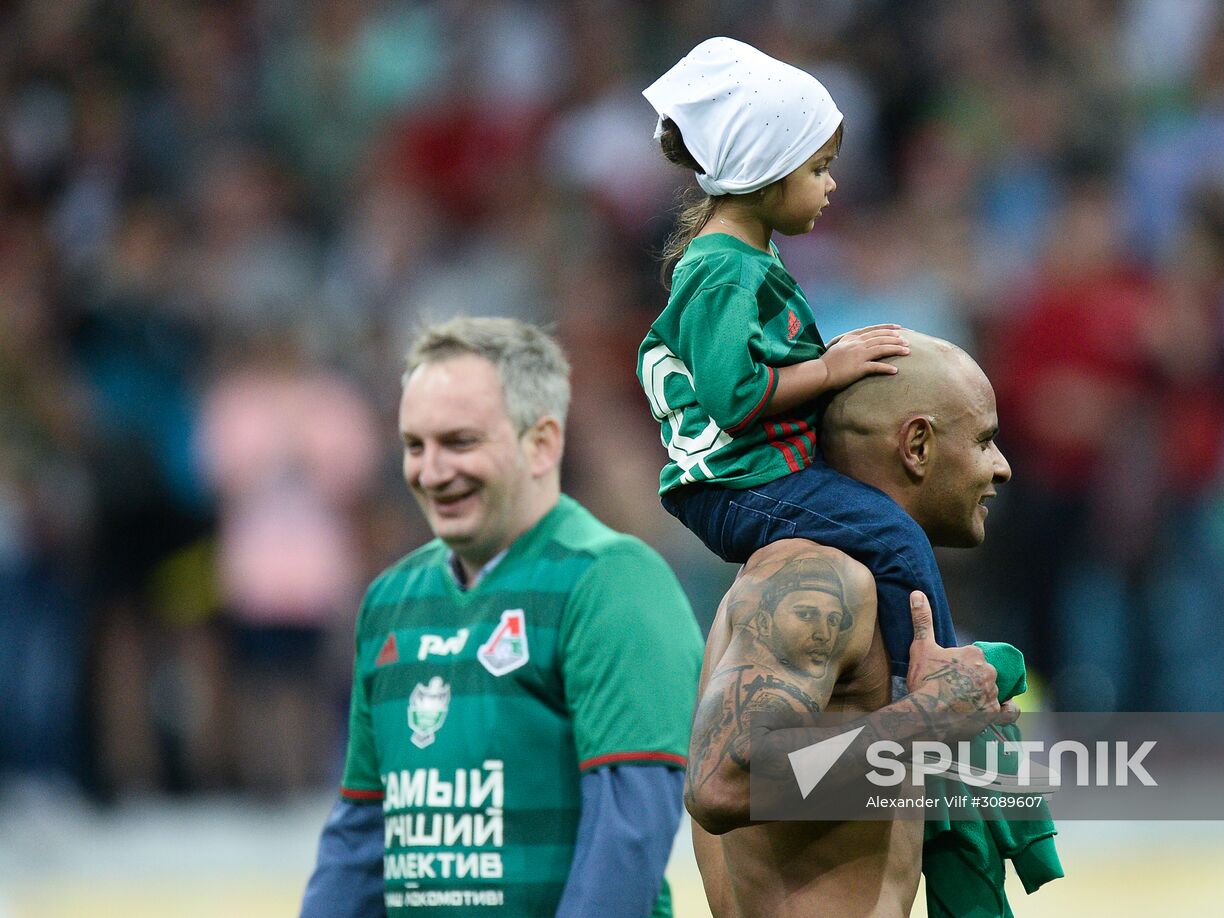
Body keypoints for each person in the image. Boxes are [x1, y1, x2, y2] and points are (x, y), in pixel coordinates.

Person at [300, 317, 704, 918]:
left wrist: (892, 770)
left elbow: (629, 832)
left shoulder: (613, 584)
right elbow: (361, 836)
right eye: (415, 445)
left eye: (460, 442)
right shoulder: (390, 600)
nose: (431, 472)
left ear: (541, 442)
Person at [637, 38, 953, 698]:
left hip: (758, 472)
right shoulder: (723, 269)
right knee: (895, 538)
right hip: (741, 483)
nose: (831, 185)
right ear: (765, 170)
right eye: (818, 168)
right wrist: (833, 369)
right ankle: (924, 686)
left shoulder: (749, 256)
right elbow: (734, 397)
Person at [686, 332, 1021, 917]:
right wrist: (930, 717)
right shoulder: (822, 578)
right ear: (917, 444)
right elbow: (721, 783)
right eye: (986, 440)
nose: (1003, 466)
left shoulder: (839, 579)